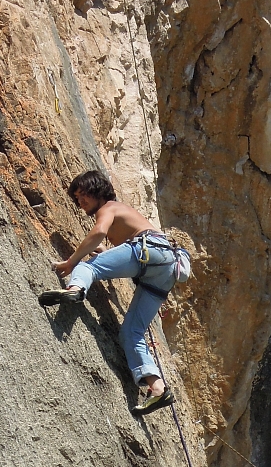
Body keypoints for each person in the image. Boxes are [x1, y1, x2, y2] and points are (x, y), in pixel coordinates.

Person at [38, 170, 190, 416]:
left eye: (83, 194)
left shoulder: (108, 207)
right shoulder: (125, 215)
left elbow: (99, 231)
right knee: (132, 332)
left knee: (87, 267)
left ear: (98, 191)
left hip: (149, 252)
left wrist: (71, 262)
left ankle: (75, 290)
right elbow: (119, 251)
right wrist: (104, 252)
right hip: (167, 268)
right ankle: (159, 388)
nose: (81, 201)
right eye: (77, 198)